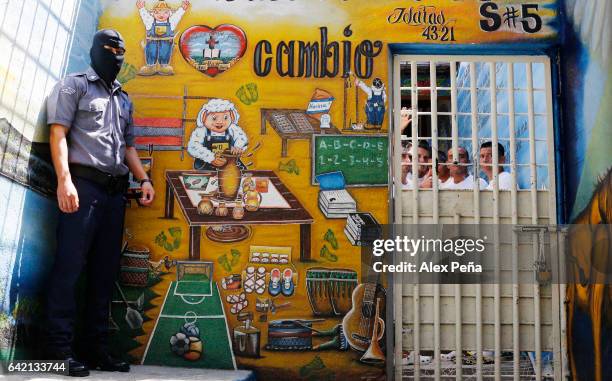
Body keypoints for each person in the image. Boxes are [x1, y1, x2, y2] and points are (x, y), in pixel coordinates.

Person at [45, 29, 155, 376]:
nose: (116, 56)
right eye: (109, 49)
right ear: (94, 51)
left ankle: (95, 349)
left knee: (104, 274)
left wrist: (144, 179)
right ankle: (57, 352)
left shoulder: (124, 99)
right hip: (83, 187)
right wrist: (65, 181)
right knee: (69, 267)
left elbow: (128, 146)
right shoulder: (73, 85)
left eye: (121, 51)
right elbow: (58, 132)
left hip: (115, 193)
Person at [187, 98, 249, 170]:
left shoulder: (233, 129)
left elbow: (242, 139)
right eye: (214, 118)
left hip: (230, 165)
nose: (220, 122)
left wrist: (238, 147)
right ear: (204, 117)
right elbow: (193, 146)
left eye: (225, 117)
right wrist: (211, 158)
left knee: (240, 174)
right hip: (206, 165)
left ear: (232, 116)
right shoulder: (201, 131)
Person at [136, 0, 189, 76]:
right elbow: (145, 16)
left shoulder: (172, 21)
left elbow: (177, 15)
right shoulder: (150, 21)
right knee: (151, 52)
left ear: (169, 13)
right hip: (152, 42)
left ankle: (164, 66)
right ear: (153, 13)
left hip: (166, 42)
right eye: (157, 12)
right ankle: (150, 67)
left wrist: (182, 9)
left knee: (165, 53)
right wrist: (141, 9)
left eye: (165, 12)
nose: (161, 15)